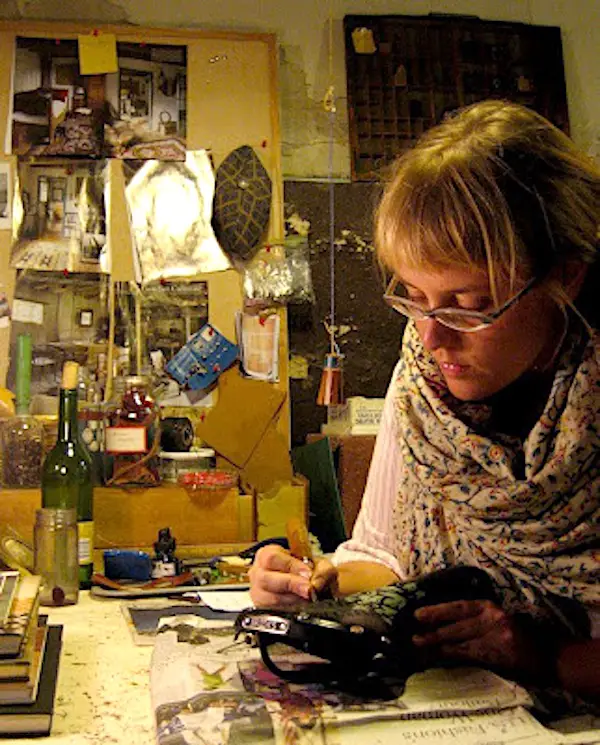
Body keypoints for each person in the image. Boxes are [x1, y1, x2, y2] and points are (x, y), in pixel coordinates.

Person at [249, 100, 600, 699]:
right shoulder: (422, 385)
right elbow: (389, 558)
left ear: (564, 277)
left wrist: (544, 656)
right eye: (414, 296)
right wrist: (319, 582)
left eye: (466, 302)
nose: (431, 335)